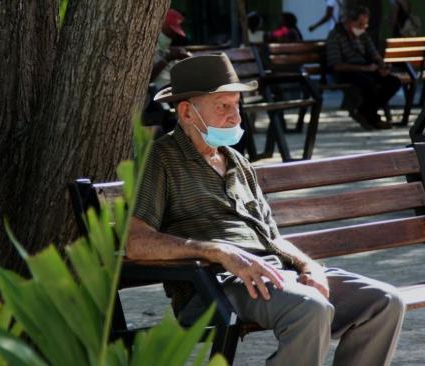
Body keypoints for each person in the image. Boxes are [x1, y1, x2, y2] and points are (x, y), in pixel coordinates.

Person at [129, 53, 405, 365]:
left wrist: (309, 267)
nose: (236, 117)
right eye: (223, 106)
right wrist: (218, 252)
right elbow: (135, 242)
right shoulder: (161, 158)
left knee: (385, 302)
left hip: (274, 272)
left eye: (237, 105)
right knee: (311, 308)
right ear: (187, 113)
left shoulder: (238, 162)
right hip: (213, 284)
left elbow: (273, 237)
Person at [326, 6, 401, 130]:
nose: (362, 28)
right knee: (368, 83)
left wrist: (382, 66)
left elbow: (374, 54)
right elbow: (336, 65)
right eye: (360, 24)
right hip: (347, 72)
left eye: (365, 25)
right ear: (350, 22)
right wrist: (364, 69)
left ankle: (364, 111)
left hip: (367, 70)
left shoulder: (363, 35)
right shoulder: (335, 36)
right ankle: (372, 118)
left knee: (393, 82)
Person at [144, 9, 192, 135]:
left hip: (174, 90)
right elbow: (146, 78)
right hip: (159, 92)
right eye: (172, 29)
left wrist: (185, 60)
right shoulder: (148, 45)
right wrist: (168, 58)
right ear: (162, 25)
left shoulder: (166, 47)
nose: (174, 34)